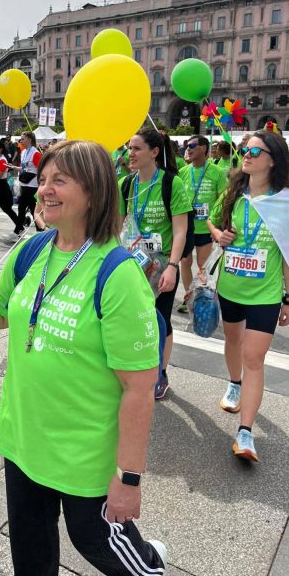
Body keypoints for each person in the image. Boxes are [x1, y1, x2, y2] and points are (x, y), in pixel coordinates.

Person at [0, 140, 167, 576]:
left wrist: (128, 478)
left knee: (99, 546)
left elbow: (140, 389)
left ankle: (153, 565)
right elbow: (0, 315)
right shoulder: (34, 249)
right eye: (43, 179)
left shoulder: (117, 273)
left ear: (93, 191)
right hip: (23, 442)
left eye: (59, 181)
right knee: (31, 557)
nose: (43, 189)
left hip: (84, 457)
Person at [207, 131, 289, 462]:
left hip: (265, 294)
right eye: (245, 149)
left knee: (254, 357)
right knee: (233, 344)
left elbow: (286, 253)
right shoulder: (233, 194)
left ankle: (245, 433)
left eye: (255, 150)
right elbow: (212, 223)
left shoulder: (284, 202)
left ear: (273, 160)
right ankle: (234, 383)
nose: (248, 154)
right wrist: (220, 235)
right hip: (230, 287)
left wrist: (287, 298)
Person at [120, 128, 191, 399]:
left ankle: (161, 372)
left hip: (163, 267)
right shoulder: (126, 184)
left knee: (161, 318)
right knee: (133, 316)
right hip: (133, 263)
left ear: (154, 152)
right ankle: (134, 368)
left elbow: (181, 230)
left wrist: (173, 267)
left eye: (137, 148)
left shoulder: (172, 184)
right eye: (129, 148)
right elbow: (118, 226)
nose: (131, 153)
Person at [177, 134, 228, 312]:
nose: (187, 149)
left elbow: (224, 199)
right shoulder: (183, 172)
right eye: (186, 145)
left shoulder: (217, 172)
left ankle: (201, 298)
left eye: (191, 145)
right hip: (186, 227)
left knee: (202, 266)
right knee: (184, 262)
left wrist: (219, 225)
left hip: (205, 228)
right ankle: (188, 297)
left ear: (204, 149)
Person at [9, 131, 41, 240]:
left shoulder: (35, 153)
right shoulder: (23, 152)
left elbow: (41, 169)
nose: (20, 141)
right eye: (20, 139)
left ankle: (39, 231)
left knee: (32, 209)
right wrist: (14, 167)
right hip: (23, 184)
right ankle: (19, 229)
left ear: (29, 140)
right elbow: (24, 168)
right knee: (23, 208)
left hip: (32, 186)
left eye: (23, 139)